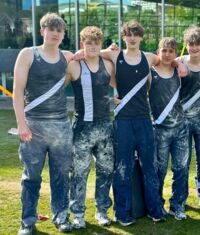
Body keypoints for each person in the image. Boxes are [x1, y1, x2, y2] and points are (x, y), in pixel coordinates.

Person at [97, 20, 186, 226]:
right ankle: (122, 213)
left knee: (150, 167)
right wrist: (108, 49)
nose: (132, 37)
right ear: (124, 37)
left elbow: (169, 60)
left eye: (136, 34)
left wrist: (179, 63)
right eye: (129, 34)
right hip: (123, 121)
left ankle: (155, 210)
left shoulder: (149, 57)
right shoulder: (115, 55)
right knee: (122, 168)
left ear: (141, 37)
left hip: (144, 120)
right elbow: (92, 53)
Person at [13, 12, 73, 234]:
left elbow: (92, 53)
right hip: (34, 126)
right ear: (42, 31)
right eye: (51, 29)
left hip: (60, 126)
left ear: (63, 34)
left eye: (59, 30)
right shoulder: (28, 54)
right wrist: (21, 124)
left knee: (60, 175)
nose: (55, 33)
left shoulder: (67, 56)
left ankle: (61, 216)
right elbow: (18, 92)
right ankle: (27, 221)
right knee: (31, 177)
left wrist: (112, 49)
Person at [65, 26, 115, 229]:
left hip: (105, 127)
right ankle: (78, 213)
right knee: (79, 172)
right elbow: (56, 88)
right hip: (82, 128)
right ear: (82, 44)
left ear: (100, 44)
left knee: (105, 171)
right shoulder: (74, 66)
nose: (93, 46)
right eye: (88, 43)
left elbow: (122, 80)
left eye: (96, 43)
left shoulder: (109, 65)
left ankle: (101, 210)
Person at [149, 37, 189, 220]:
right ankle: (157, 204)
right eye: (163, 50)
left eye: (171, 51)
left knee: (181, 168)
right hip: (159, 129)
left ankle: (177, 205)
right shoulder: (150, 72)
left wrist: (179, 63)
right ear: (158, 51)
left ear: (175, 53)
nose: (167, 54)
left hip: (180, 129)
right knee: (160, 169)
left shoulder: (178, 71)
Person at [177, 26, 200, 211]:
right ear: (186, 44)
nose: (194, 47)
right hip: (182, 121)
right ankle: (181, 197)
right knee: (182, 160)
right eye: (191, 44)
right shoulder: (178, 62)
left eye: (198, 44)